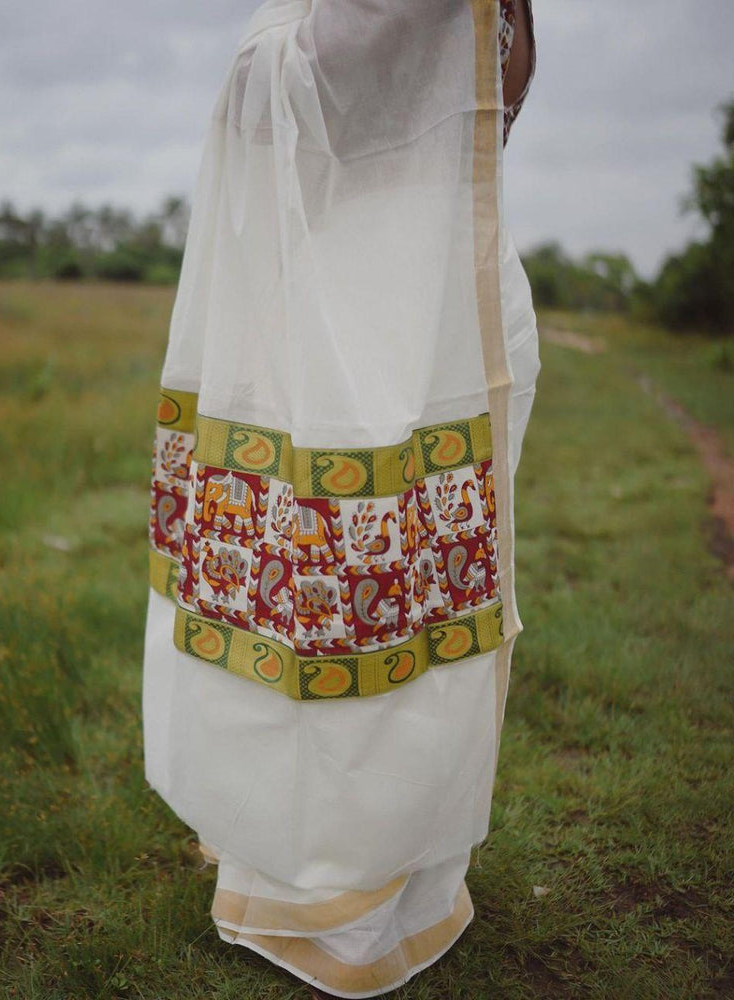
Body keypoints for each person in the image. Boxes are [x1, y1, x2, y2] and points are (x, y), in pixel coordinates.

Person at [142, 1, 539, 997]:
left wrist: (269, 48)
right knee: (314, 604)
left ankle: (364, 894)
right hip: (352, 306)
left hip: (404, 318)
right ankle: (290, 871)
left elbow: (355, 80)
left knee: (380, 613)